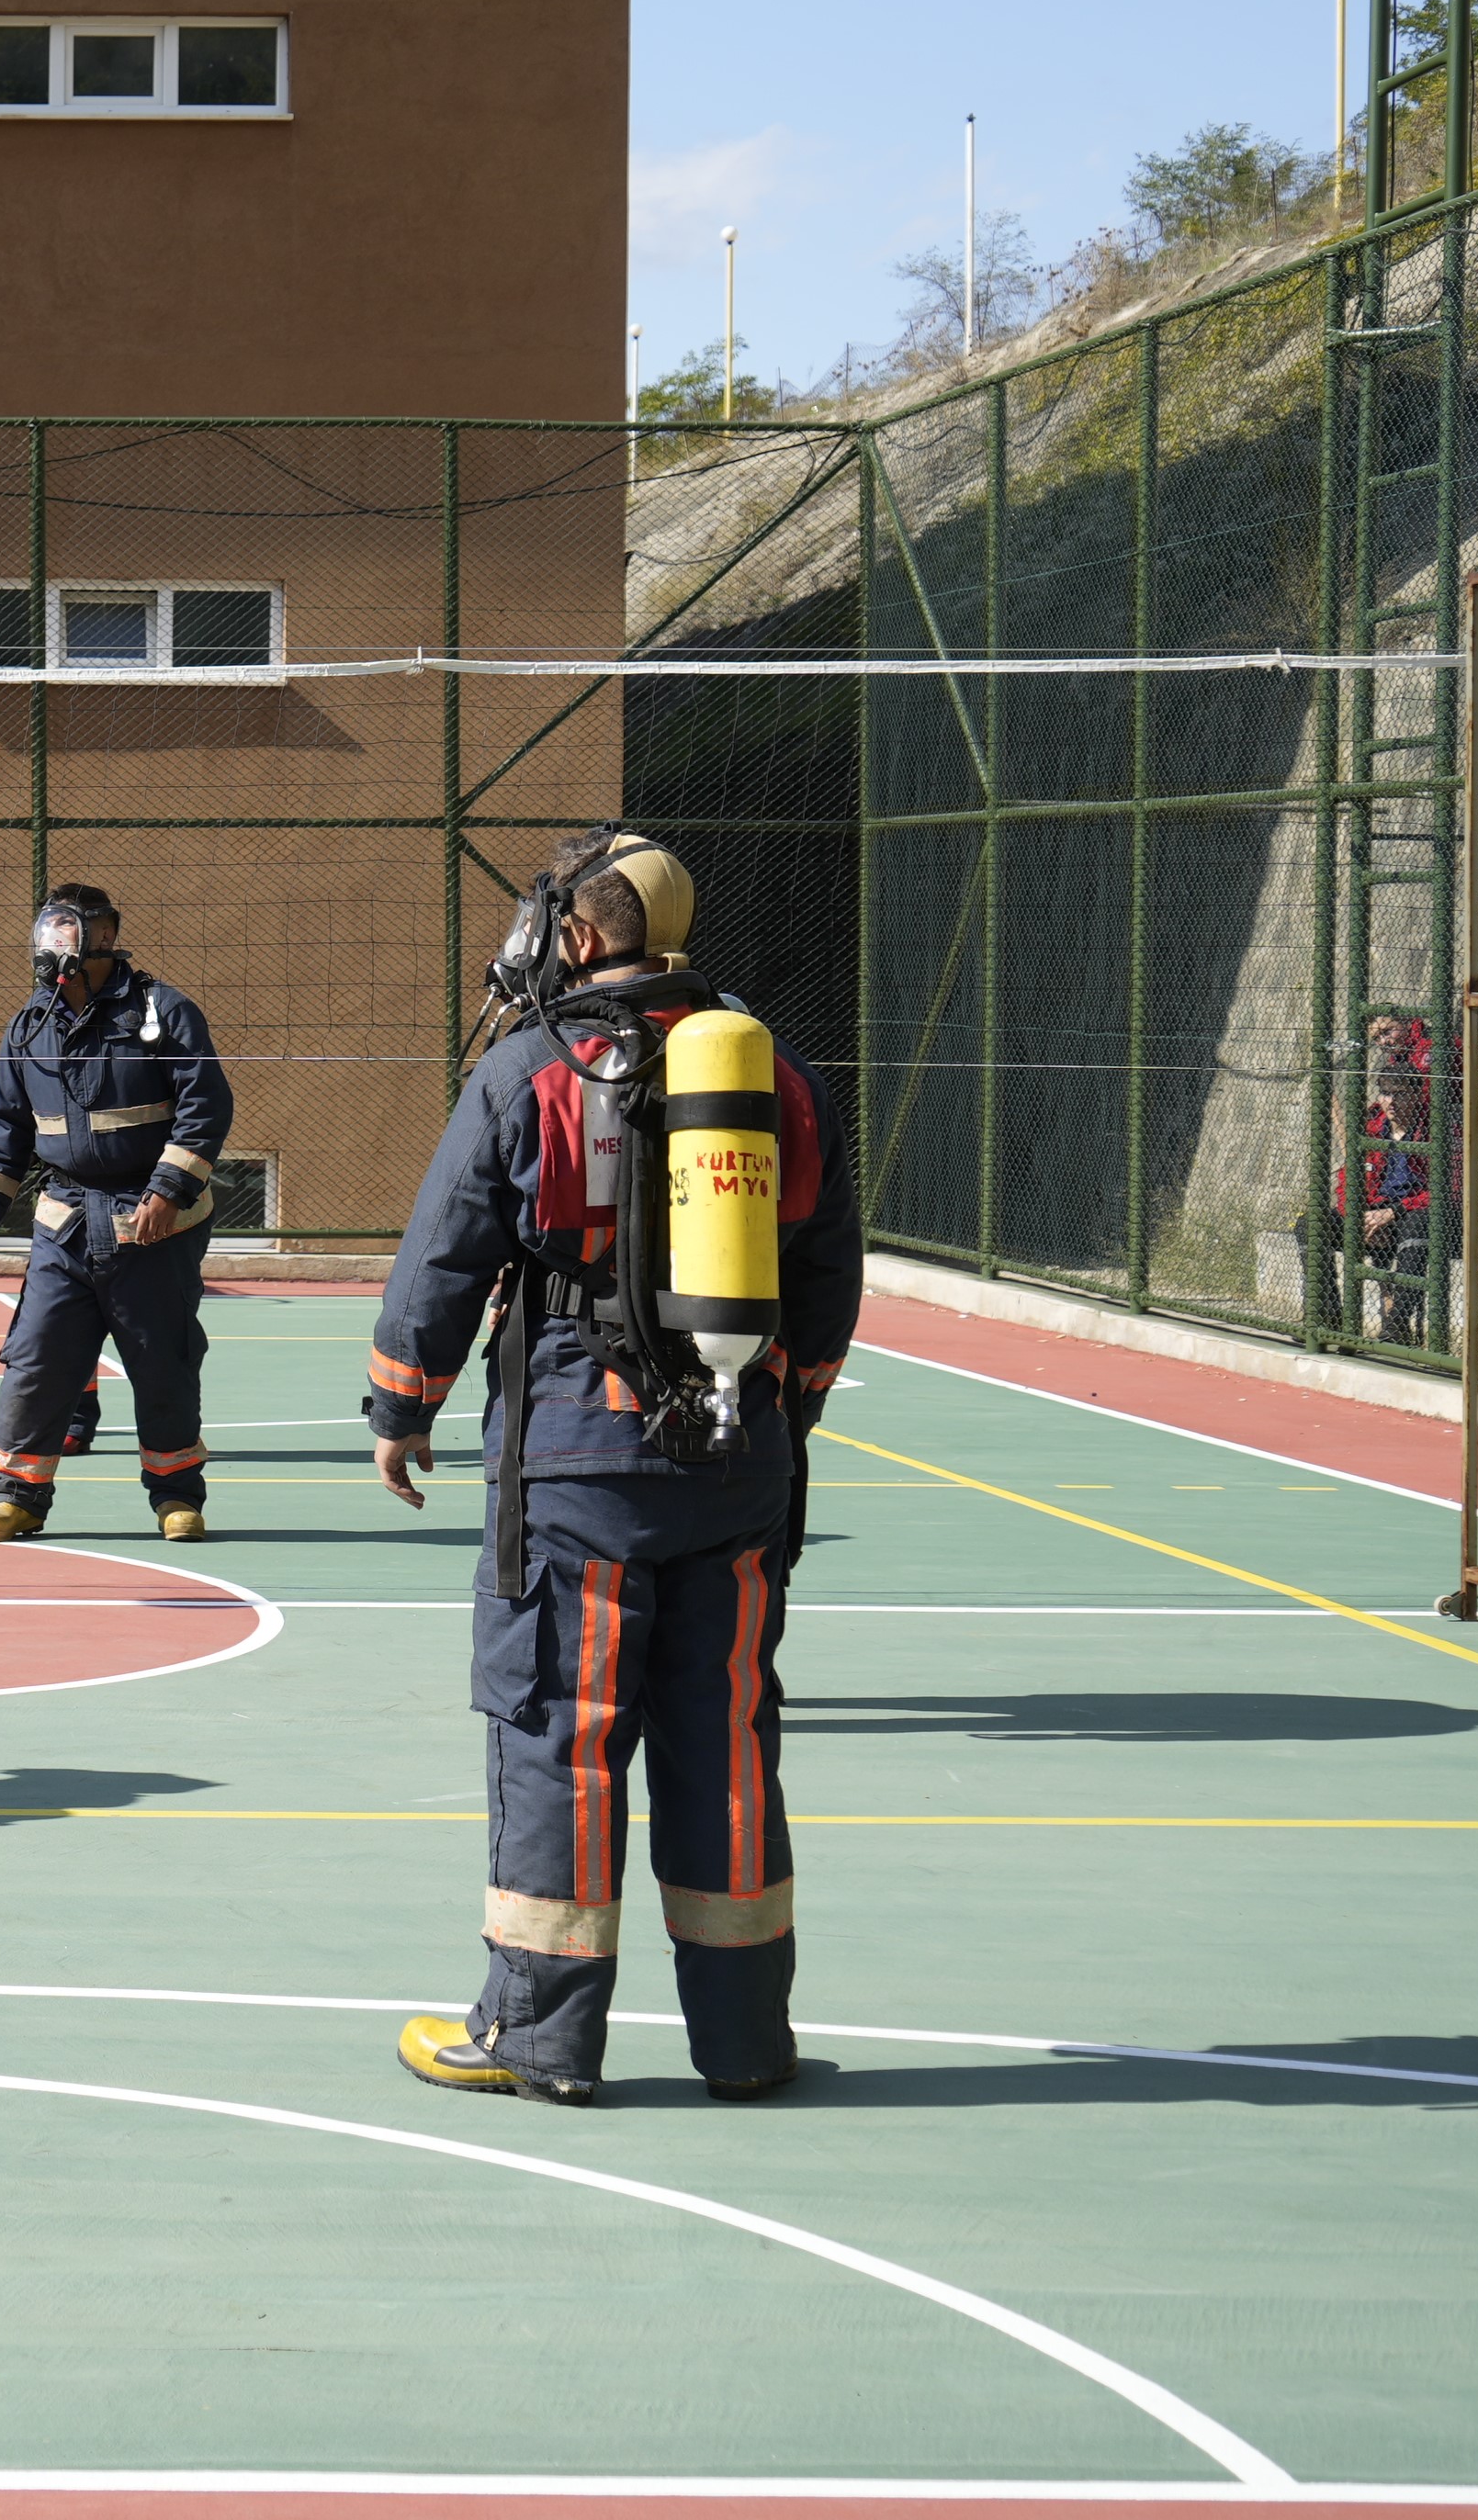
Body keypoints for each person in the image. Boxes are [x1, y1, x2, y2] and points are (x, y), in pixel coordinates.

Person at [365, 829, 861, 2106]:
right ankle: (747, 2042)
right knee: (730, 1742)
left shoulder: (531, 1071)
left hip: (580, 1461)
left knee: (563, 1737)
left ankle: (539, 2038)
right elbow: (826, 1269)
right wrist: (776, 1414)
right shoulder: (776, 1079)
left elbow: (447, 1253)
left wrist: (399, 1403)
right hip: (739, 1451)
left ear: (582, 938)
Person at [0, 884, 234, 1545]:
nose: (58, 941)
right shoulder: (29, 1025)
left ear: (105, 936)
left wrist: (167, 1192)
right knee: (39, 1358)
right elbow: (8, 1125)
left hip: (152, 1223)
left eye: (72, 928)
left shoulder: (164, 1011)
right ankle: (18, 1496)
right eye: (49, 928)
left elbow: (206, 1108)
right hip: (65, 1221)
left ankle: (175, 1497)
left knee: (161, 1361)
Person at [1356, 1078, 1434, 1348]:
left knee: (1418, 1226)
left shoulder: (1434, 1128)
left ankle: (1397, 1325)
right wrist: (1360, 1216)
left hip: (1412, 1211)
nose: (1390, 1101)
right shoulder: (1372, 1129)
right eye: (1385, 1094)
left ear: (1416, 1094)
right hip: (1375, 1211)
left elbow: (1446, 1190)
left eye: (1399, 1093)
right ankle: (1322, 1315)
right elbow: (1348, 1179)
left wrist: (1393, 1212)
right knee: (1312, 1224)